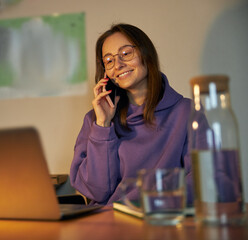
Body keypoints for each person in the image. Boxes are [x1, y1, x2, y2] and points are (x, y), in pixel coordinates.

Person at [70, 23, 193, 206]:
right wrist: (103, 126)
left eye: (126, 54)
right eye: (109, 60)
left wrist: (149, 207)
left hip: (160, 221)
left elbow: (202, 181)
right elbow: (97, 192)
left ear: (145, 53)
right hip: (105, 226)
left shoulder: (186, 112)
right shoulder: (95, 120)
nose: (118, 64)